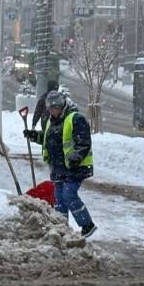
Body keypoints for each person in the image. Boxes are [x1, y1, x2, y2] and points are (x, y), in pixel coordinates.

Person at [24, 90, 97, 238]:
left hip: (75, 168)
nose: (53, 111)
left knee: (69, 194)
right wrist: (35, 136)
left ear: (62, 105)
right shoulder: (52, 121)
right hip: (58, 167)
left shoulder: (75, 119)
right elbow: (49, 139)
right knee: (58, 198)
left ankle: (87, 225)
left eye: (55, 108)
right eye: (50, 108)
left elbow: (84, 142)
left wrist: (75, 158)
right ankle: (61, 228)